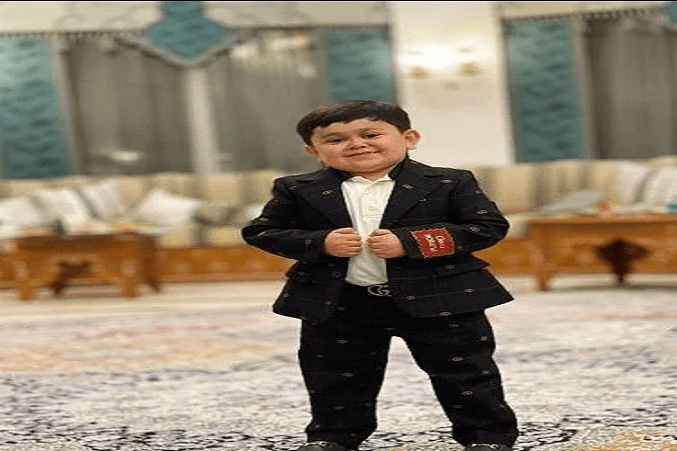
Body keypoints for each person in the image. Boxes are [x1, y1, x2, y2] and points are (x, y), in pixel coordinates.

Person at [241, 100, 518, 451]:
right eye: (336, 140)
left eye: (371, 134)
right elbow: (261, 231)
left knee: (466, 372)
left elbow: (487, 227)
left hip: (441, 299)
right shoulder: (296, 188)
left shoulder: (449, 181)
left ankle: (487, 438)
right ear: (313, 151)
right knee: (334, 376)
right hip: (340, 302)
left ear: (409, 138)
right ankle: (332, 437)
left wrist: (410, 242)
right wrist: (320, 242)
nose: (356, 144)